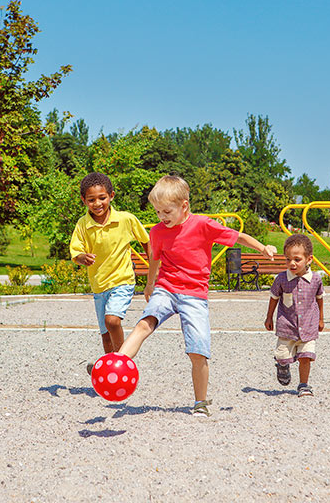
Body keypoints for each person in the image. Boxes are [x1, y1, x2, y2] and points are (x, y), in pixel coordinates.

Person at [118, 175, 278, 417]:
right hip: (166, 287)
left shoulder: (203, 225)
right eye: (158, 212)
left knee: (197, 350)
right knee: (144, 323)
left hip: (194, 294)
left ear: (184, 206)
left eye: (166, 211)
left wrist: (263, 248)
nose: (161, 217)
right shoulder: (158, 232)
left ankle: (200, 402)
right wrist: (150, 284)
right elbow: (155, 259)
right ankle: (117, 364)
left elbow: (238, 237)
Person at [70, 172, 150, 371]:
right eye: (91, 200)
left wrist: (154, 269)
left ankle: (123, 363)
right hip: (99, 286)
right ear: (84, 200)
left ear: (111, 196)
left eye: (102, 198)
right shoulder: (83, 225)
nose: (97, 203)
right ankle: (109, 371)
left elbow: (147, 241)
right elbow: (76, 251)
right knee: (105, 335)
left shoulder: (125, 220)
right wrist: (82, 257)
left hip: (122, 280)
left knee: (112, 321)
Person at [264, 233, 324, 397]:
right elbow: (274, 298)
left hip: (309, 327)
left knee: (306, 356)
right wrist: (269, 317)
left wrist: (320, 319)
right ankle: (282, 365)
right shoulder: (282, 279)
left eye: (297, 259)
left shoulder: (316, 280)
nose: (292, 263)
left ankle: (304, 385)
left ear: (309, 259)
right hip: (287, 327)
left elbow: (319, 299)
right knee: (283, 356)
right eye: (288, 259)